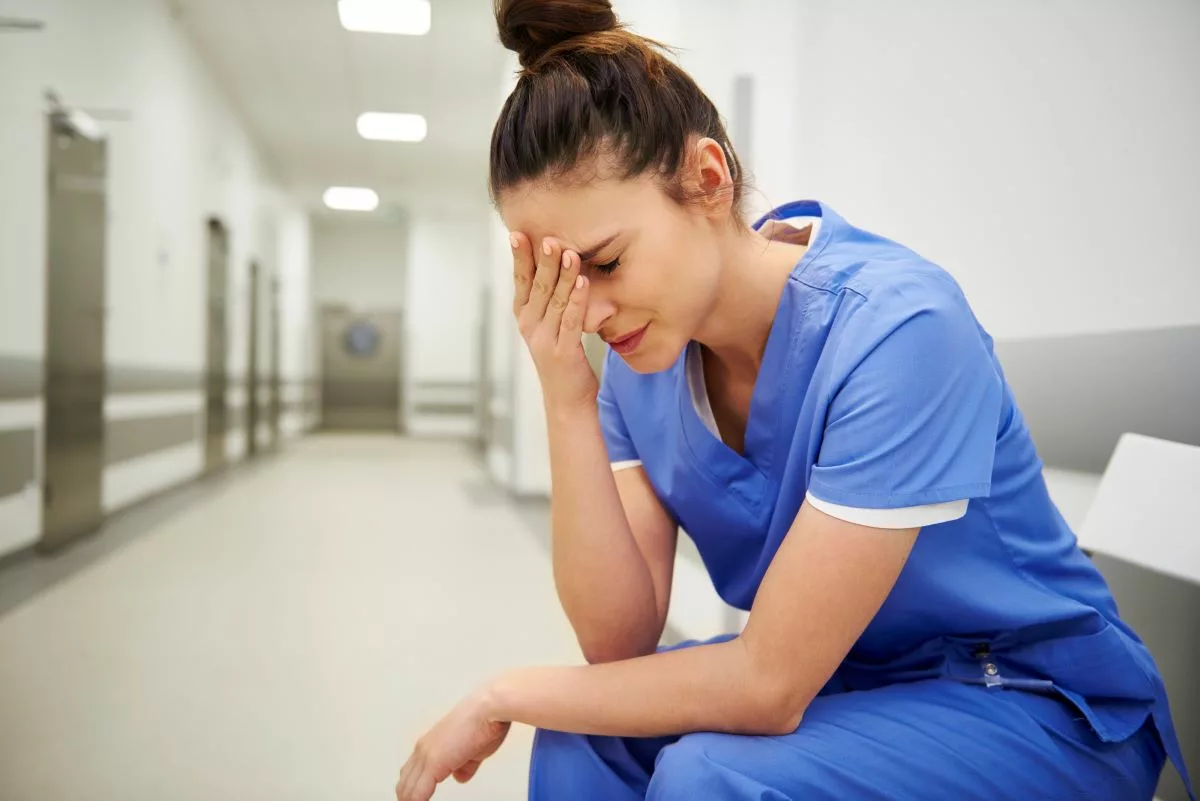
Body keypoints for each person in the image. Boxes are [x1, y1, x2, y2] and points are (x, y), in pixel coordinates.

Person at [395, 1, 1195, 799]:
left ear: (708, 181)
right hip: (851, 689)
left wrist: (503, 691)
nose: (592, 313)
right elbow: (619, 640)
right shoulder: (642, 365)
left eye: (604, 263)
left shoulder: (897, 328)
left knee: (707, 776)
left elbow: (769, 684)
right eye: (563, 280)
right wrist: (566, 390)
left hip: (1031, 707)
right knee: (583, 741)